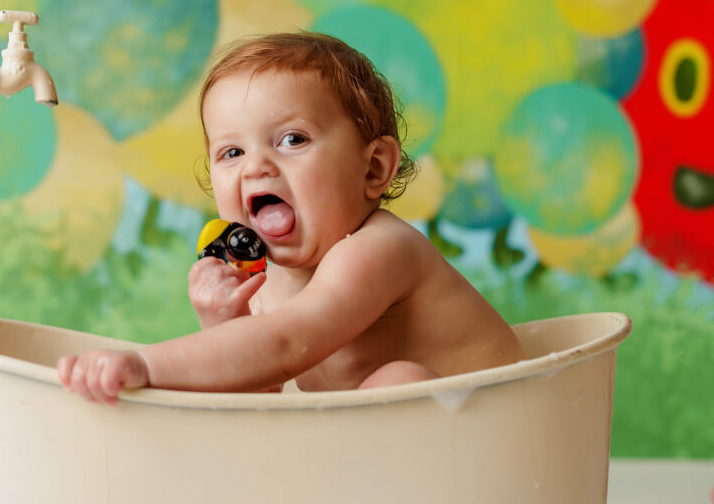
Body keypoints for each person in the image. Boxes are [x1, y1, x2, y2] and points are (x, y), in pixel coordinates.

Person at [57, 31, 525, 404]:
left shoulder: (380, 249)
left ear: (374, 167)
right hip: (402, 465)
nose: (256, 166)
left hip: (503, 440)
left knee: (397, 382)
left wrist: (146, 365)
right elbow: (263, 391)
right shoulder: (267, 284)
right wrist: (226, 324)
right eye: (232, 151)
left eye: (292, 140)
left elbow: (285, 346)